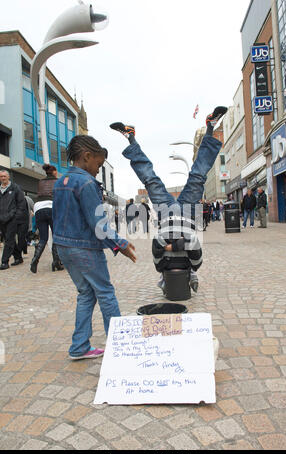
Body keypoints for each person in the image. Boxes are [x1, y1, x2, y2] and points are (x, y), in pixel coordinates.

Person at [110, 106, 227, 294]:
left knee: (150, 180)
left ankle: (130, 137)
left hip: (166, 212)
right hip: (188, 212)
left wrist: (174, 245)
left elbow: (158, 243)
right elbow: (192, 243)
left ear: (164, 278)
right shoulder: (193, 266)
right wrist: (173, 246)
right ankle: (211, 126)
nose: (175, 271)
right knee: (198, 175)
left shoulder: (160, 266)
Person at [52, 134, 136, 360]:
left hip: (63, 246)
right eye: (98, 164)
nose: (99, 170)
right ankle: (119, 346)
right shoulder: (87, 183)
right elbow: (98, 223)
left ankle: (79, 347)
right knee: (105, 292)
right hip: (84, 248)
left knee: (86, 294)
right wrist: (121, 244)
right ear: (87, 156)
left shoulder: (61, 182)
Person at [30, 164, 64, 273]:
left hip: (39, 208)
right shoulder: (59, 181)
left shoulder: (40, 182)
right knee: (56, 236)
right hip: (52, 207)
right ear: (54, 172)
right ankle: (56, 262)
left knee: (43, 238)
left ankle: (35, 260)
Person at [0, 170, 25, 270]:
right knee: (9, 239)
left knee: (9, 239)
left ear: (8, 177)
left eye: (4, 176)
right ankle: (18, 257)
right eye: (1, 176)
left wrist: (16, 216)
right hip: (1, 219)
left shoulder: (15, 188)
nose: (3, 178)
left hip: (12, 218)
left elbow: (21, 203)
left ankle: (4, 262)